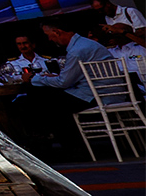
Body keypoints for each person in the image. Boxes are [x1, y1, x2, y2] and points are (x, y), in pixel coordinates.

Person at [15, 19, 115, 154]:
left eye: (49, 35)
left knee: (40, 98)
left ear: (57, 32)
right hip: (103, 90)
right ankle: (56, 142)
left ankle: (69, 147)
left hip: (95, 94)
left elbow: (64, 82)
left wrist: (33, 78)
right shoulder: (85, 44)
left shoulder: (77, 51)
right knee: (41, 97)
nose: (49, 39)